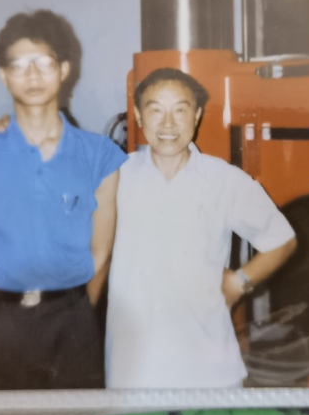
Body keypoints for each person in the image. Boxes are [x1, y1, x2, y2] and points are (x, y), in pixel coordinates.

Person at [0, 10, 127, 390]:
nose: (32, 75)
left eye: (44, 62)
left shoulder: (100, 157)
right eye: (18, 64)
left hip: (71, 325)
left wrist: (77, 310)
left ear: (64, 69)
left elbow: (100, 252)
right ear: (3, 74)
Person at [105, 68, 297, 389]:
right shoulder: (116, 177)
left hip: (209, 372)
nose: (168, 124)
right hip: (133, 372)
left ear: (196, 116)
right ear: (138, 116)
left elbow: (282, 240)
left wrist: (238, 282)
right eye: (156, 110)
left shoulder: (224, 180)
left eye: (180, 110)